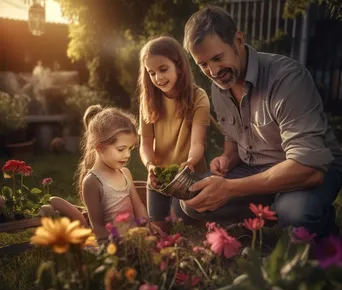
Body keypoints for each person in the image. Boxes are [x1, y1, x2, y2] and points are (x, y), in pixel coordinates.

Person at [179, 5, 342, 237]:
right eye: (203, 64)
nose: (213, 71)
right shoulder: (220, 87)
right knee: (191, 200)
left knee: (295, 214)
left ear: (237, 40)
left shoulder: (287, 79)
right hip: (256, 168)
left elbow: (309, 169)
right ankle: (264, 223)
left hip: (308, 168)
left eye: (217, 58)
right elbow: (234, 144)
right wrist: (226, 159)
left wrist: (231, 189)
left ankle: (315, 221)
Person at [49, 105, 162, 240]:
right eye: (121, 149)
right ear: (100, 147)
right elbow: (98, 227)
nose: (127, 155)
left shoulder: (125, 174)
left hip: (135, 240)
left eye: (130, 149)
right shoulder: (92, 182)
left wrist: (147, 225)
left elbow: (138, 206)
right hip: (113, 245)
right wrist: (117, 248)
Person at [138, 36, 211, 231]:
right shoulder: (148, 101)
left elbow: (198, 144)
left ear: (178, 66)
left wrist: (189, 163)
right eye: (151, 73)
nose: (158, 78)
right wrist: (150, 166)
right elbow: (145, 145)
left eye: (163, 69)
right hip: (158, 178)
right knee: (158, 231)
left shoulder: (198, 97)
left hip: (190, 176)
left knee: (191, 231)